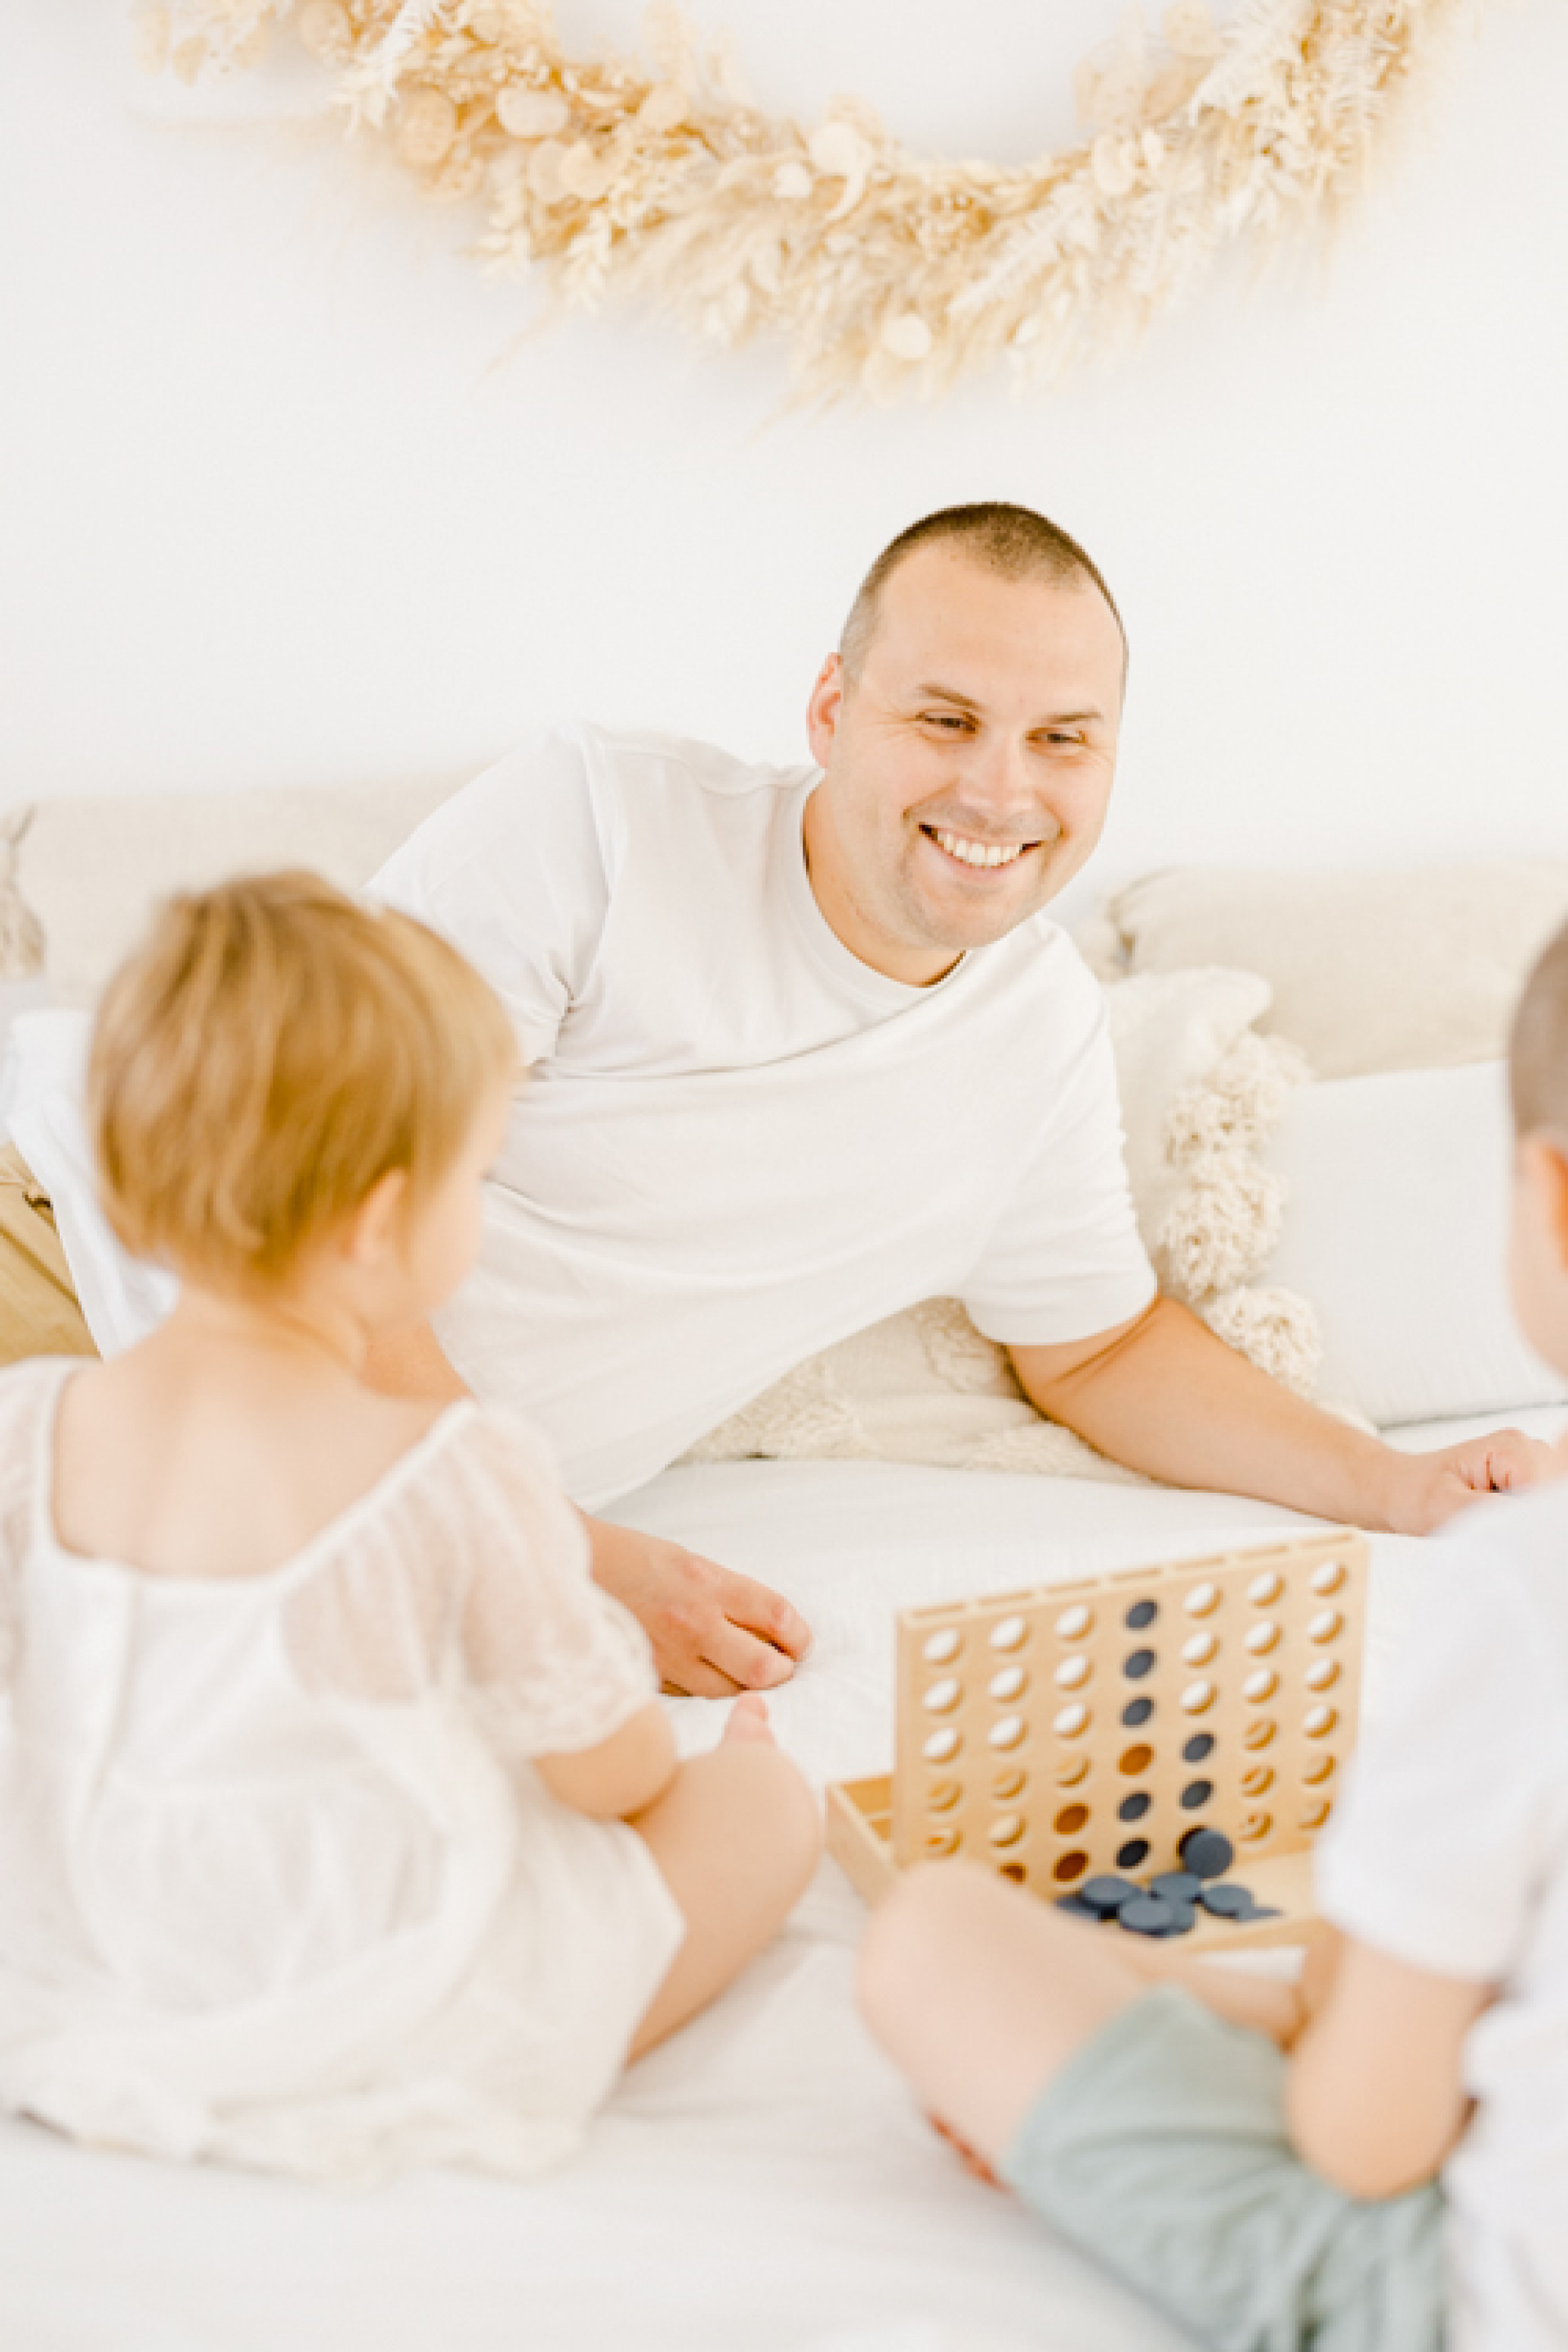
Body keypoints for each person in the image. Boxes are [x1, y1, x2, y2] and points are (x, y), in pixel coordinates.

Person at [3, 503, 1555, 1695]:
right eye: (944, 718)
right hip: (70, 1257)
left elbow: (1100, 1349)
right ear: (830, 709)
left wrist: (1397, 1483)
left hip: (319, 1496)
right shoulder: (600, 824)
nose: (1000, 791)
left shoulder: (1039, 1038)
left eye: (1061, 741)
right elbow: (323, 1200)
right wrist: (556, 1557)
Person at [0, 874, 819, 2184]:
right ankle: (457, 2058)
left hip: (102, 1947)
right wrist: (681, 1752)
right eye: (475, 1178)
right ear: (385, 1223)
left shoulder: (34, 1426)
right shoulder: (452, 1472)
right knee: (767, 1806)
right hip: (354, 1978)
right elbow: (608, 1777)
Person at [853, 918, 1568, 2352]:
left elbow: (1370, 2144)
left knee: (931, 1936)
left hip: (1478, 2302)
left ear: (1553, 1200)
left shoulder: (1520, 1588)